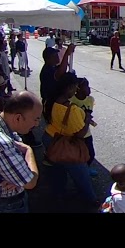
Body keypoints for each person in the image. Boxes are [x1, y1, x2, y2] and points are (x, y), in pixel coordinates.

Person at [41, 72, 97, 206]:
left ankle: (59, 196)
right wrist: (87, 120)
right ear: (69, 88)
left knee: (58, 171)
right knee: (82, 175)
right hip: (66, 145)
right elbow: (80, 134)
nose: (75, 90)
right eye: (75, 87)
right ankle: (91, 200)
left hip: (50, 138)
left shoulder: (50, 100)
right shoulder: (72, 110)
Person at [35, 43, 75, 148]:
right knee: (55, 127)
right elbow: (61, 72)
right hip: (50, 103)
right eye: (55, 56)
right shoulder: (48, 70)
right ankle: (52, 150)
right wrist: (67, 53)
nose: (58, 57)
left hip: (51, 101)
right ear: (49, 59)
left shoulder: (51, 67)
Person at [69, 77, 98, 177]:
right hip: (76, 132)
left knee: (91, 154)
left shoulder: (90, 99)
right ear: (78, 89)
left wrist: (88, 118)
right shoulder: (71, 100)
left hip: (86, 132)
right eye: (86, 87)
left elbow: (89, 113)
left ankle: (86, 168)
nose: (89, 89)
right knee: (77, 154)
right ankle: (79, 172)